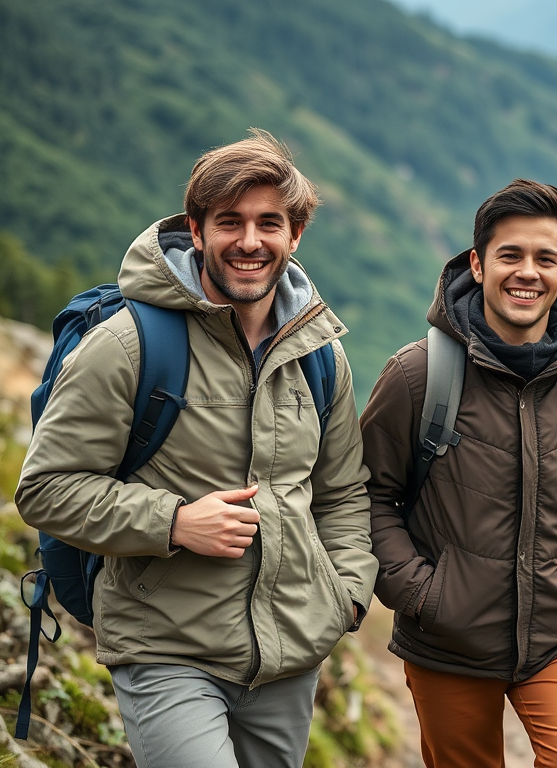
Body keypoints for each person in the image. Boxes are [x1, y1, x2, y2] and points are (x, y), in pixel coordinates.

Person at [16, 129, 378, 768]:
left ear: (295, 236)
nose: (249, 241)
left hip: (288, 655)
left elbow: (343, 491)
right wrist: (175, 522)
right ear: (196, 228)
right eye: (229, 222)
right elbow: (45, 488)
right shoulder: (130, 343)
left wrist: (344, 596)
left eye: (270, 223)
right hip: (166, 648)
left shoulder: (320, 353)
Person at [361, 179, 557, 768]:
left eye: (545, 258)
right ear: (477, 263)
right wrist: (421, 593)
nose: (528, 272)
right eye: (510, 255)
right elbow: (366, 497)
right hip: (447, 637)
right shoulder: (419, 376)